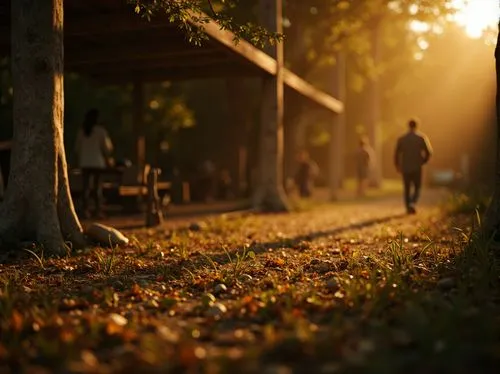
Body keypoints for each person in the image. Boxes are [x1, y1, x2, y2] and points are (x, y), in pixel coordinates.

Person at [74, 109, 114, 218]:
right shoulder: (101, 131)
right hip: (97, 163)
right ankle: (97, 211)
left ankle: (85, 210)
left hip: (85, 163)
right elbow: (107, 148)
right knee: (97, 188)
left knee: (85, 188)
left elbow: (77, 148)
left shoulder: (81, 131)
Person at [394, 118, 433, 214]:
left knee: (407, 187)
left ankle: (408, 206)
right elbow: (429, 152)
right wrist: (423, 161)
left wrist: (397, 165)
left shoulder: (401, 139)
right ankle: (412, 203)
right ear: (417, 126)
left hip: (405, 167)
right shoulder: (421, 138)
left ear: (408, 126)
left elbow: (396, 154)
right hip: (417, 167)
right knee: (417, 186)